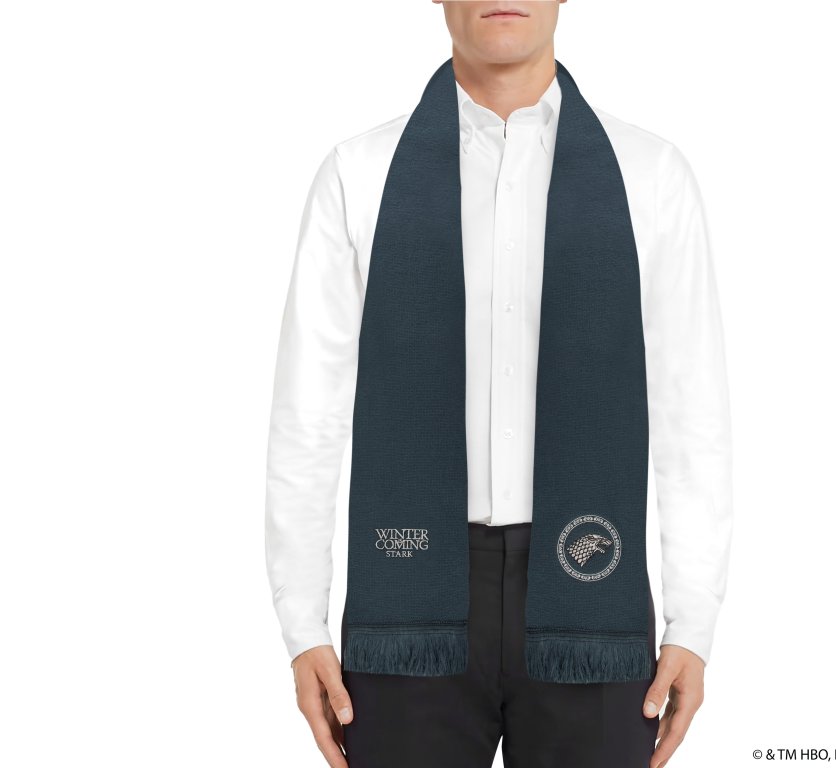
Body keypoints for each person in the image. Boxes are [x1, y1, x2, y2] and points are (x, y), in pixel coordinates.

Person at [265, 2, 733, 767]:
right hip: (406, 603)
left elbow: (692, 411)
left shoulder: (650, 176)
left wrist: (694, 623)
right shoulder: (359, 173)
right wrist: (302, 625)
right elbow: (307, 413)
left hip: (593, 596)